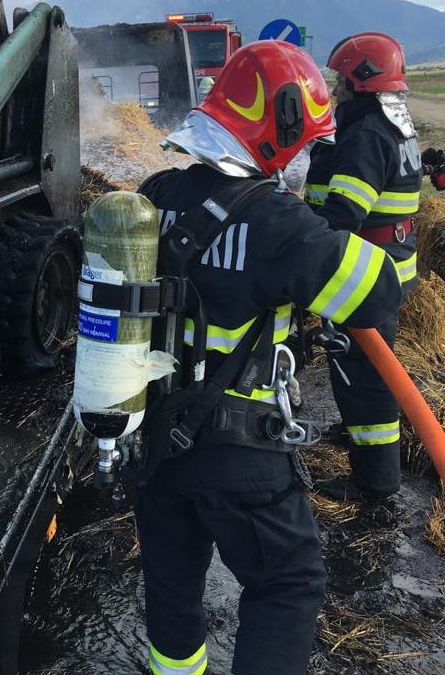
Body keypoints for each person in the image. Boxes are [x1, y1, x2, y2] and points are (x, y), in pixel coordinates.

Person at [135, 40, 402, 675]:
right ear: (276, 128)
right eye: (303, 143)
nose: (304, 158)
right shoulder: (280, 223)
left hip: (155, 445)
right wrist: (325, 231)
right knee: (287, 584)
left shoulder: (154, 194)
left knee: (171, 586)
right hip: (241, 458)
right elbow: (378, 293)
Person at [305, 32, 422, 501]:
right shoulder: (392, 123)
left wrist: (299, 244)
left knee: (366, 376)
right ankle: (360, 437)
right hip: (386, 266)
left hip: (364, 273)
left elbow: (343, 216)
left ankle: (375, 481)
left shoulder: (367, 135)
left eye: (340, 80)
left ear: (362, 81)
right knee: (355, 369)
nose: (335, 89)